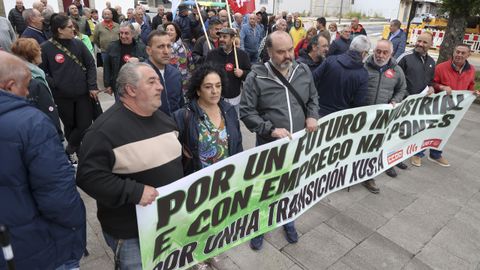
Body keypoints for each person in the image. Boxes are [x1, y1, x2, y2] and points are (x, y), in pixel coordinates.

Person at [76, 62, 184, 269]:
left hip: (168, 224)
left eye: (158, 81)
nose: (160, 86)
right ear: (131, 89)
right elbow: (87, 177)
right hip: (131, 234)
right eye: (151, 81)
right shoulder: (103, 132)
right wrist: (134, 191)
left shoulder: (165, 120)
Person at [0, 50, 86, 270]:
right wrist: (76, 232)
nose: (28, 92)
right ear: (9, 86)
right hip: (39, 247)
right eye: (25, 86)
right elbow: (57, 194)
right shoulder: (30, 123)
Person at [240, 31, 319, 250]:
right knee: (266, 188)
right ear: (269, 52)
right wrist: (271, 130)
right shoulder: (256, 77)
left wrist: (313, 115)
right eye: (281, 52)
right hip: (269, 147)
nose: (287, 56)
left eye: (290, 50)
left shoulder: (303, 71)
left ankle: (288, 219)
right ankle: (260, 226)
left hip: (297, 145)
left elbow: (313, 98)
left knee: (291, 186)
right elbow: (246, 113)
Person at [40, 14, 98, 163]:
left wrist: (92, 86)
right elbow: (41, 71)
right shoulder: (45, 48)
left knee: (85, 125)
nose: (74, 29)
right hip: (62, 96)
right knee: (70, 126)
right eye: (70, 27)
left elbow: (91, 64)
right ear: (59, 30)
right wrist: (55, 84)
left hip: (82, 93)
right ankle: (79, 154)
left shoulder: (78, 44)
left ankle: (69, 149)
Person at [173, 63, 243, 175]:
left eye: (218, 85)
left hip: (229, 179)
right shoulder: (183, 116)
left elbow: (238, 144)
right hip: (200, 184)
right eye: (208, 87)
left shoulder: (229, 110)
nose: (215, 91)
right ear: (198, 90)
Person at [363, 39, 408, 192]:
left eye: (385, 52)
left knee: (374, 147)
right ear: (373, 51)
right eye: (378, 51)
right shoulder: (364, 66)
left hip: (382, 119)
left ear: (391, 53)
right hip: (362, 117)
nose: (380, 55)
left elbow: (402, 89)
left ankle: (368, 176)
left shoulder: (397, 70)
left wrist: (395, 100)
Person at [430, 44, 477, 167]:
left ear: (468, 55)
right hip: (438, 106)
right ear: (453, 52)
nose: (459, 55)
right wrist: (442, 87)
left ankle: (435, 154)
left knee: (446, 130)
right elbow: (431, 83)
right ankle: (418, 154)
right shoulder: (441, 67)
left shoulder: (471, 70)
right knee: (429, 129)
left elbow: (470, 85)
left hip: (456, 108)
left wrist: (473, 92)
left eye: (463, 53)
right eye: (457, 52)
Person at [397, 32, 436, 167]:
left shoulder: (431, 62)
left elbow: (430, 81)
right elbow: (394, 77)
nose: (420, 44)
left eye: (425, 42)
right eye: (419, 41)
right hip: (404, 103)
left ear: (431, 45)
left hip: (420, 105)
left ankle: (402, 155)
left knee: (411, 131)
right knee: (398, 132)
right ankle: (392, 158)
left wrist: (431, 87)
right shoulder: (405, 57)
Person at [11, 37, 62, 136]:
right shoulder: (31, 77)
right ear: (31, 54)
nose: (41, 52)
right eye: (38, 50)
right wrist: (57, 134)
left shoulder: (24, 71)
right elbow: (45, 107)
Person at [313, 35, 370, 117]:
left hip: (317, 112)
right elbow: (358, 102)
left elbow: (313, 79)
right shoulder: (363, 74)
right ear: (364, 53)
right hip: (340, 119)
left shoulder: (330, 60)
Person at [205, 28, 251, 112]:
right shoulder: (212, 54)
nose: (221, 39)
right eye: (220, 37)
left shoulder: (242, 55)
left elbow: (250, 74)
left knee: (233, 122)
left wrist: (243, 73)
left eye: (225, 37)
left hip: (234, 96)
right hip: (216, 97)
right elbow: (204, 72)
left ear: (232, 39)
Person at [104, 22, 147, 100]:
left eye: (126, 33)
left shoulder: (141, 47)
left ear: (133, 34)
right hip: (118, 86)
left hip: (136, 86)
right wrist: (107, 85)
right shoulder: (112, 46)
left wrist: (139, 60)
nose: (123, 36)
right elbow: (107, 67)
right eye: (121, 33)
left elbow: (148, 62)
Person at [146, 30, 184, 116]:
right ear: (149, 50)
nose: (166, 51)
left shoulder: (176, 74)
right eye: (161, 47)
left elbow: (180, 103)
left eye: (169, 46)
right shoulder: (140, 75)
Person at [165, 22, 195, 94]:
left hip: (184, 82)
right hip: (169, 82)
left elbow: (191, 63)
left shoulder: (184, 46)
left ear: (176, 33)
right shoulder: (163, 47)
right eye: (167, 30)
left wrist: (193, 77)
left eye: (171, 30)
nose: (168, 32)